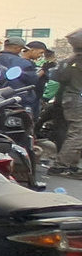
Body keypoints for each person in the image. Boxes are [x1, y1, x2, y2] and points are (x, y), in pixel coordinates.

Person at [48, 29, 82, 177]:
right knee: (77, 133)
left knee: (75, 132)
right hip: (77, 98)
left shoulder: (68, 61)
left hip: (69, 98)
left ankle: (71, 165)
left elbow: (57, 77)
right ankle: (60, 166)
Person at [0, 36, 40, 113]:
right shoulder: (23, 63)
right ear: (17, 48)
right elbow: (33, 80)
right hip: (18, 101)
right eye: (21, 49)